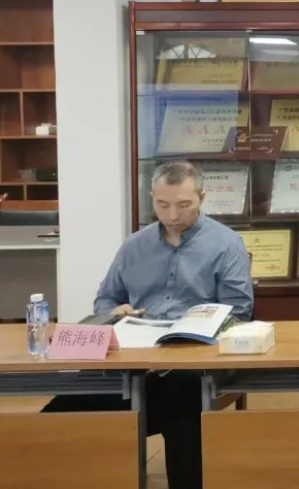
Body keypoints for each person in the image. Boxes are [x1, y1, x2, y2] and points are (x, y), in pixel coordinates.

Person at [43, 160, 254, 489]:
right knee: (68, 404)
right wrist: (116, 312)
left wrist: (199, 327)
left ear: (202, 198)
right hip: (134, 356)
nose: (172, 215)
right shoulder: (134, 246)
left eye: (183, 205)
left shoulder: (226, 244)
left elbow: (239, 310)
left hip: (194, 359)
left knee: (180, 397)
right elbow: (105, 299)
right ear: (152, 196)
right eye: (162, 205)